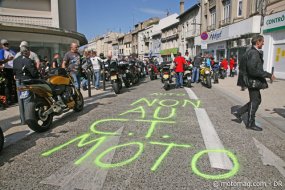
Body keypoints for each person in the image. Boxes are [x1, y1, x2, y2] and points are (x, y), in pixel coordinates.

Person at [233, 35, 276, 131]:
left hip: (251, 80)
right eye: (262, 42)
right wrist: (268, 75)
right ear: (258, 42)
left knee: (256, 100)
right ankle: (250, 123)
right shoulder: (254, 53)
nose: (263, 43)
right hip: (252, 81)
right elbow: (253, 70)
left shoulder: (250, 51)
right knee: (256, 101)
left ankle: (239, 112)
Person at [13, 46, 40, 124]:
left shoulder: (15, 60)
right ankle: (29, 119)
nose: (29, 53)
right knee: (27, 100)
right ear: (27, 52)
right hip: (26, 82)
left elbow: (14, 72)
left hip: (18, 82)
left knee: (20, 101)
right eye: (29, 52)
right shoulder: (28, 61)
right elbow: (34, 73)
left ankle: (23, 120)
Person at [1, 39, 17, 105]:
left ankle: (16, 98)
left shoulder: (12, 51)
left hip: (14, 69)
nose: (6, 45)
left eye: (7, 44)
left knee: (16, 84)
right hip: (7, 69)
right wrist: (8, 59)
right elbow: (1, 61)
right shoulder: (2, 51)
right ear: (2, 45)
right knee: (8, 85)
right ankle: (9, 100)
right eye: (5, 44)